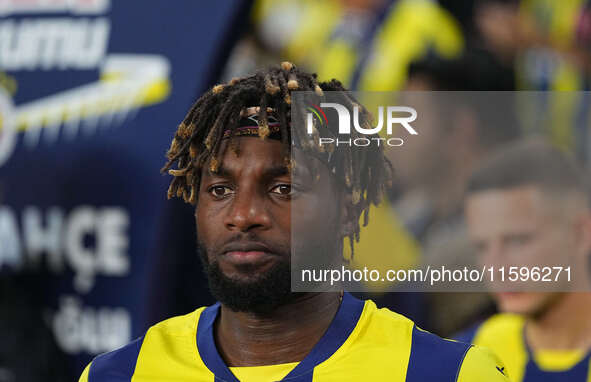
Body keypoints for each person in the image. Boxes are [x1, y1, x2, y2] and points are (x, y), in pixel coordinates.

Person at [79, 62, 509, 381]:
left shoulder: (450, 373)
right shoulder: (119, 374)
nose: (244, 216)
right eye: (220, 190)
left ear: (347, 209)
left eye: (284, 188)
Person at [458, 139, 591, 381]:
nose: (497, 268)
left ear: (580, 234)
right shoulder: (464, 356)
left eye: (517, 241)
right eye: (482, 246)